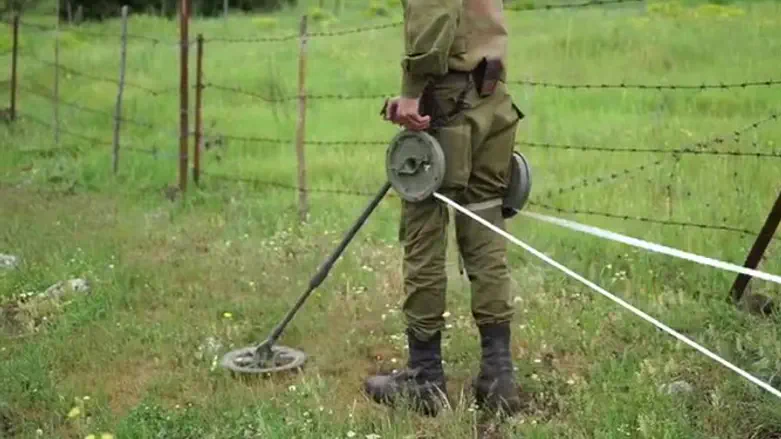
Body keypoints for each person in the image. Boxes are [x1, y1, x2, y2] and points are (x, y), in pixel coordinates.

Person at [363, 0, 525, 418]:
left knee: (423, 232)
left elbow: (435, 15)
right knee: (486, 225)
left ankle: (425, 377)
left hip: (447, 99)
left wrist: (412, 94)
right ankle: (498, 377)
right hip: (492, 98)